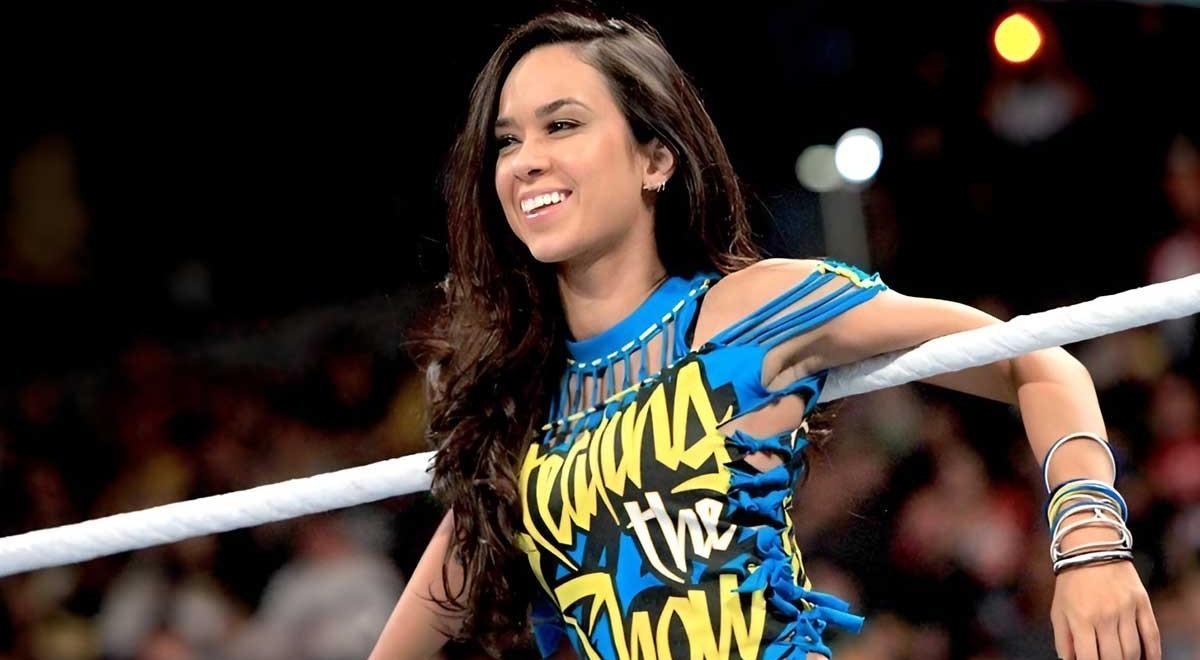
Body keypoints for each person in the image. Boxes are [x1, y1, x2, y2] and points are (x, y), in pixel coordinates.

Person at [370, 9, 1161, 660]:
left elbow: (1037, 361)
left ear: (655, 160)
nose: (526, 161)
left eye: (562, 125)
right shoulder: (519, 404)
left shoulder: (756, 308)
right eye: (508, 140)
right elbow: (431, 606)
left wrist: (1091, 546)